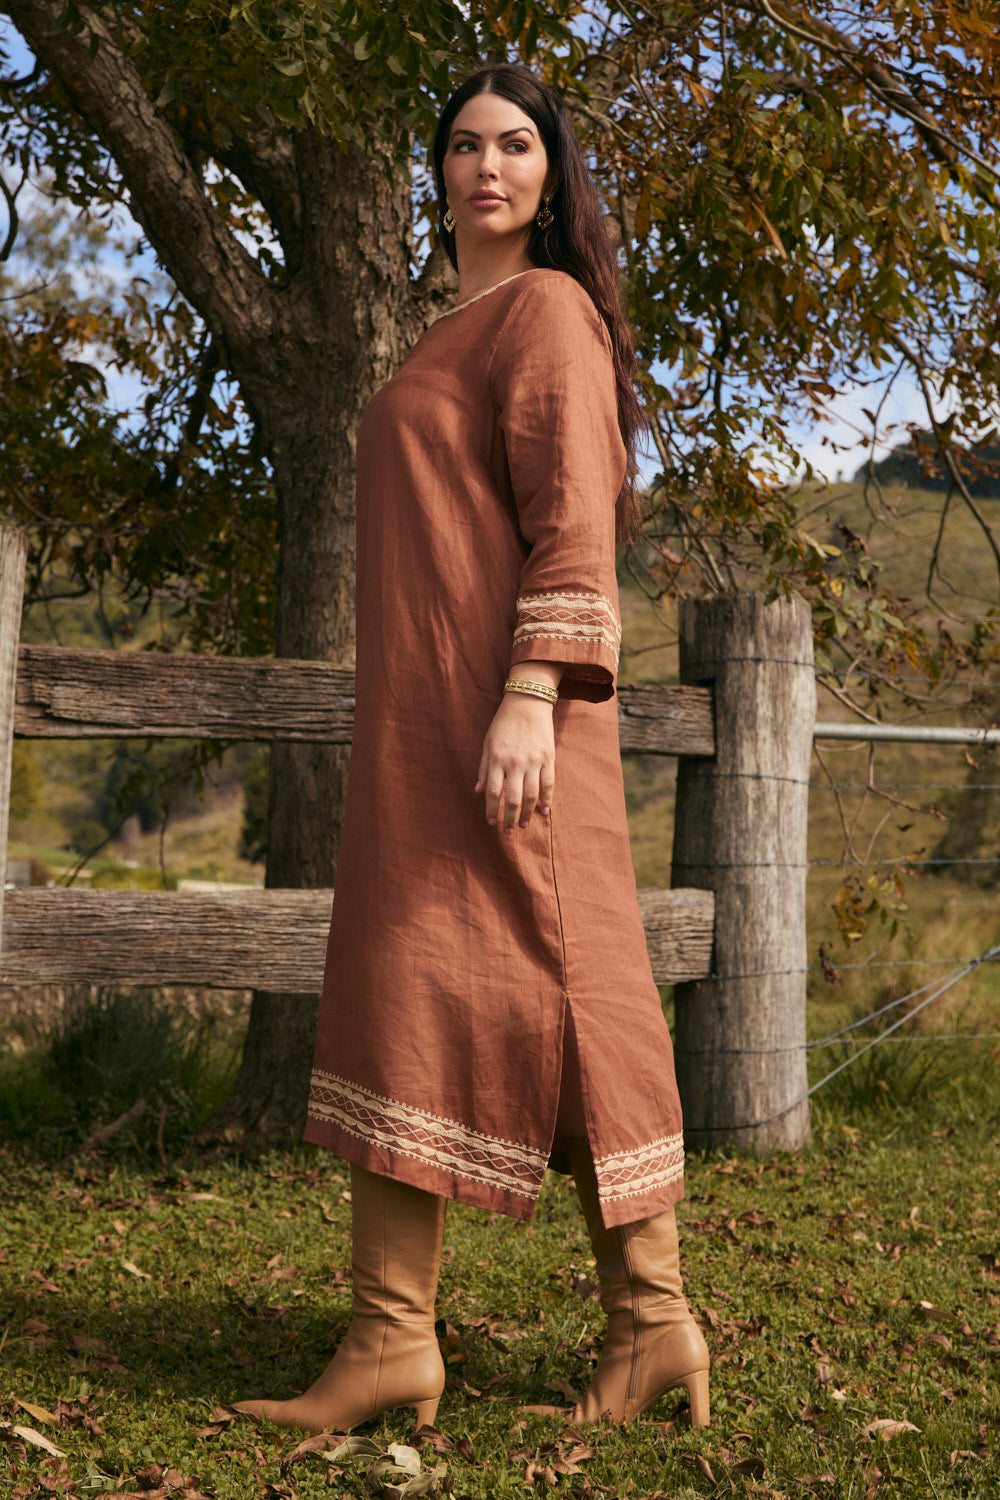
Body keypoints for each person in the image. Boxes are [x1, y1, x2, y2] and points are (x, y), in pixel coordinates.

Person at [236, 62, 709, 1437]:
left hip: (516, 725)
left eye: (515, 144)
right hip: (420, 730)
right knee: (413, 985)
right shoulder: (440, 332)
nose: (486, 165)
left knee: (579, 990)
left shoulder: (546, 310)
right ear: (437, 172)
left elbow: (576, 519)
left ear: (551, 177)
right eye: (461, 144)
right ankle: (396, 1338)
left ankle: (652, 1320)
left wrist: (527, 693)